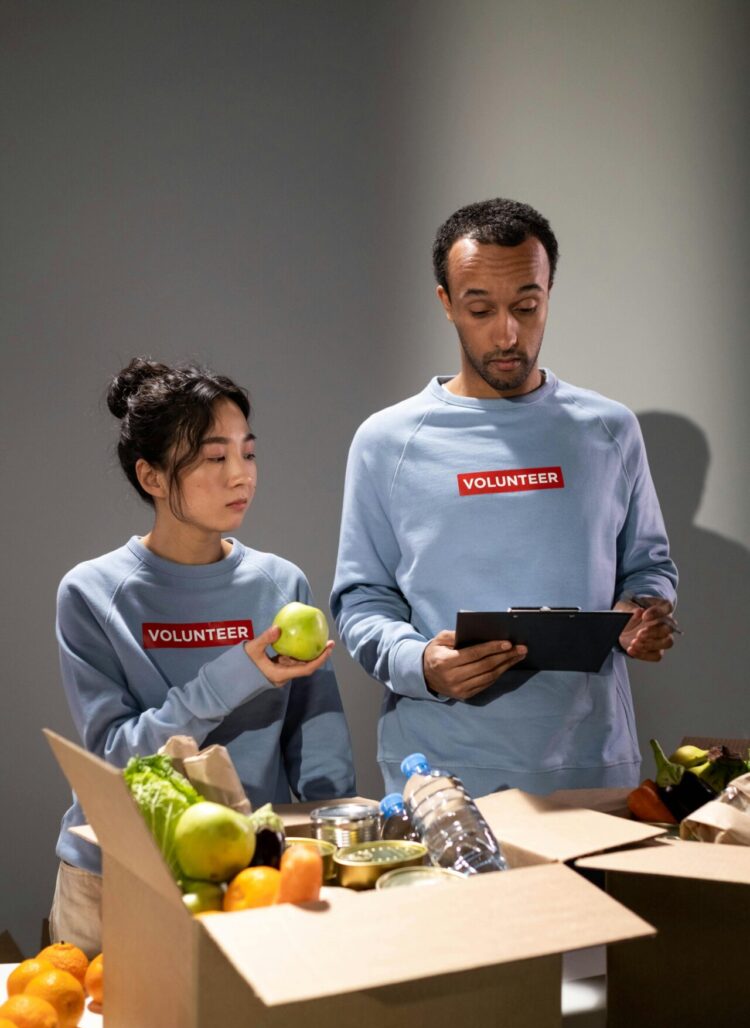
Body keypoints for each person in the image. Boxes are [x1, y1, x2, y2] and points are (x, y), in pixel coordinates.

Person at [331, 197, 677, 799]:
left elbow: (648, 568)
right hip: (440, 777)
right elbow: (361, 601)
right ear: (445, 303)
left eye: (526, 306)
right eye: (481, 308)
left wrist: (644, 613)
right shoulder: (387, 442)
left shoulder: (609, 430)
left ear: (549, 295)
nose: (507, 332)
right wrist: (421, 664)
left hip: (591, 769)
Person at [52, 358, 356, 954]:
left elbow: (318, 738)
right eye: (215, 459)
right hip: (118, 875)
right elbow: (113, 760)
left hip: (253, 870)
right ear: (153, 477)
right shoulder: (91, 594)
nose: (240, 475)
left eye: (248, 453)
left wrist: (330, 847)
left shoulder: (280, 583)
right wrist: (237, 673)